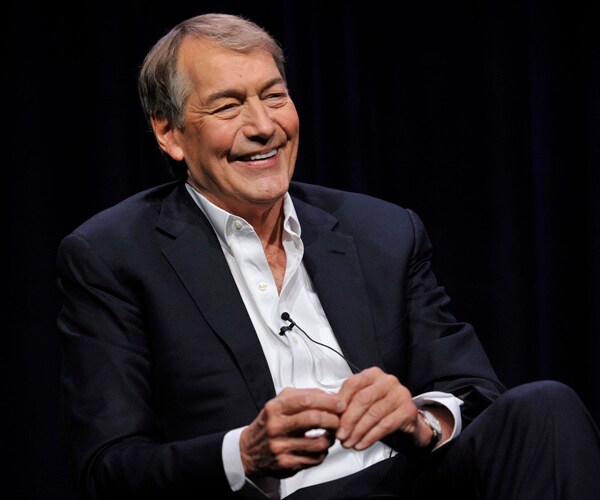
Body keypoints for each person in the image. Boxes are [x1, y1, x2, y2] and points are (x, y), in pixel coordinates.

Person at [56, 12, 600, 500]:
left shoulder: (382, 231)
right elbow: (109, 469)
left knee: (546, 408)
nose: (264, 126)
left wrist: (422, 421)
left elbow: (475, 393)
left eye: (274, 96)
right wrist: (243, 453)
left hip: (410, 481)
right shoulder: (113, 257)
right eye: (228, 106)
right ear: (169, 132)